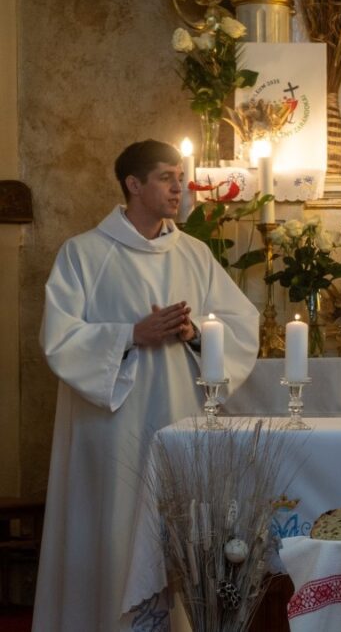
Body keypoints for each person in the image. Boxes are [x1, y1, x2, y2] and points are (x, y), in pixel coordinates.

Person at [34, 140, 259, 632]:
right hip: (112, 429)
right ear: (133, 185)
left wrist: (194, 332)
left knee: (176, 532)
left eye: (180, 176)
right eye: (165, 177)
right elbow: (60, 339)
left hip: (178, 420)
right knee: (113, 527)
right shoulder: (84, 254)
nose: (179, 187)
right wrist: (132, 335)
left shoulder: (195, 254)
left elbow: (241, 326)